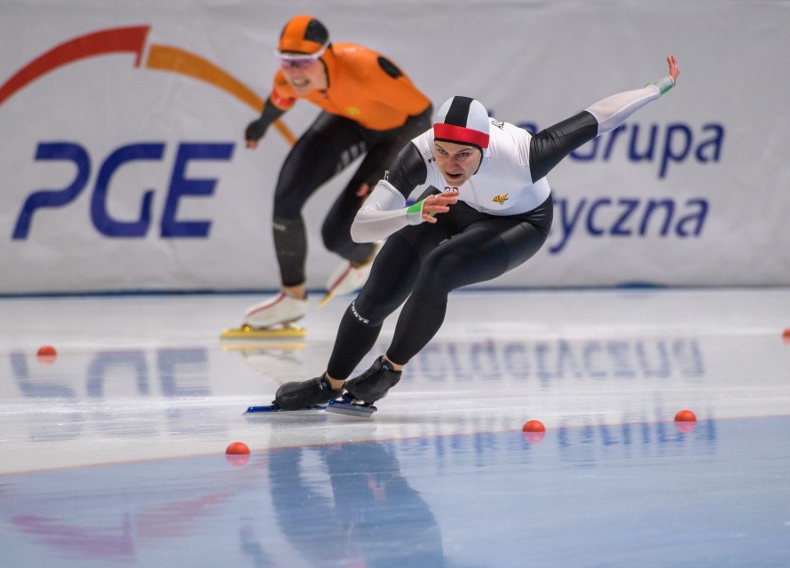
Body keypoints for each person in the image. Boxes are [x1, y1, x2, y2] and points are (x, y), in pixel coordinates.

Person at [272, 55, 681, 410]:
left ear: (484, 146)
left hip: (520, 221)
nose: (451, 164)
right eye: (444, 153)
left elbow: (598, 117)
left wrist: (655, 88)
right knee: (380, 285)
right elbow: (362, 228)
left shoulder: (524, 156)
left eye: (464, 154)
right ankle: (331, 382)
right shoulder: (420, 154)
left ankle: (387, 371)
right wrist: (412, 213)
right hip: (450, 207)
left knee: (439, 267)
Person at [240, 15, 432, 330]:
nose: (294, 72)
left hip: (394, 133)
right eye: (286, 61)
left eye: (304, 62)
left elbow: (423, 114)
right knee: (286, 196)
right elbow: (277, 103)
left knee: (338, 236)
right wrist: (259, 127)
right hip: (348, 119)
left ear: (326, 55)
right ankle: (292, 296)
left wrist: (383, 172)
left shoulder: (365, 70)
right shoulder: (287, 79)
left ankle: (365, 256)